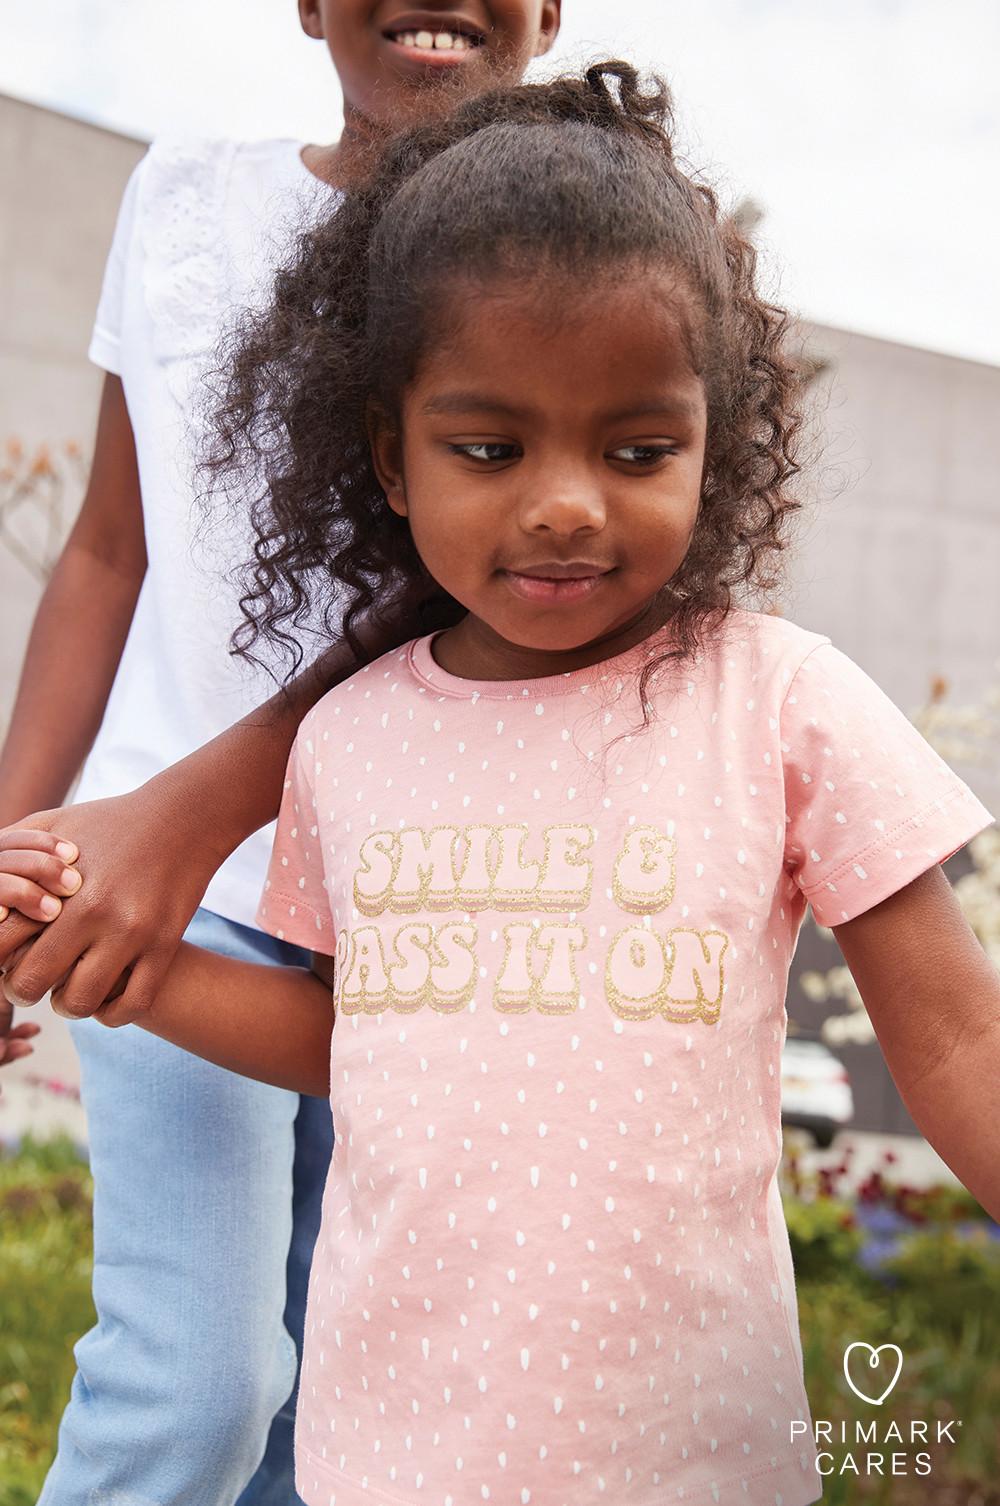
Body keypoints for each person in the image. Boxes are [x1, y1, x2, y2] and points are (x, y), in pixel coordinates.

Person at [8, 58, 999, 1506]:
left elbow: (963, 1045)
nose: (565, 502)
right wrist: (126, 970)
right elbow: (371, 1041)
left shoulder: (783, 703)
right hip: (387, 1461)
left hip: (694, 1469)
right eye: (489, 445)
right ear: (390, 460)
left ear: (716, 447)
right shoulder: (346, 738)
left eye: (639, 447)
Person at [0, 5, 562, 1502]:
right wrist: (16, 856)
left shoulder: (553, 245)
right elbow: (108, 554)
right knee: (199, 1385)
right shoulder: (185, 196)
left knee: (340, 1421)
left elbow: (467, 590)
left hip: (432, 898)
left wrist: (197, 805)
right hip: (171, 880)